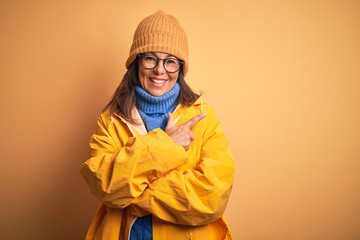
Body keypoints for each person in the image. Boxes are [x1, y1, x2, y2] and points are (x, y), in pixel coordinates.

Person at [81, 10, 235, 240]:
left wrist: (133, 195)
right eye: (150, 58)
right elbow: (105, 185)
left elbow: (212, 195)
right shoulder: (110, 120)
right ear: (136, 62)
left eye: (170, 61)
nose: (160, 70)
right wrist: (167, 145)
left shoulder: (204, 118)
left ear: (180, 67)